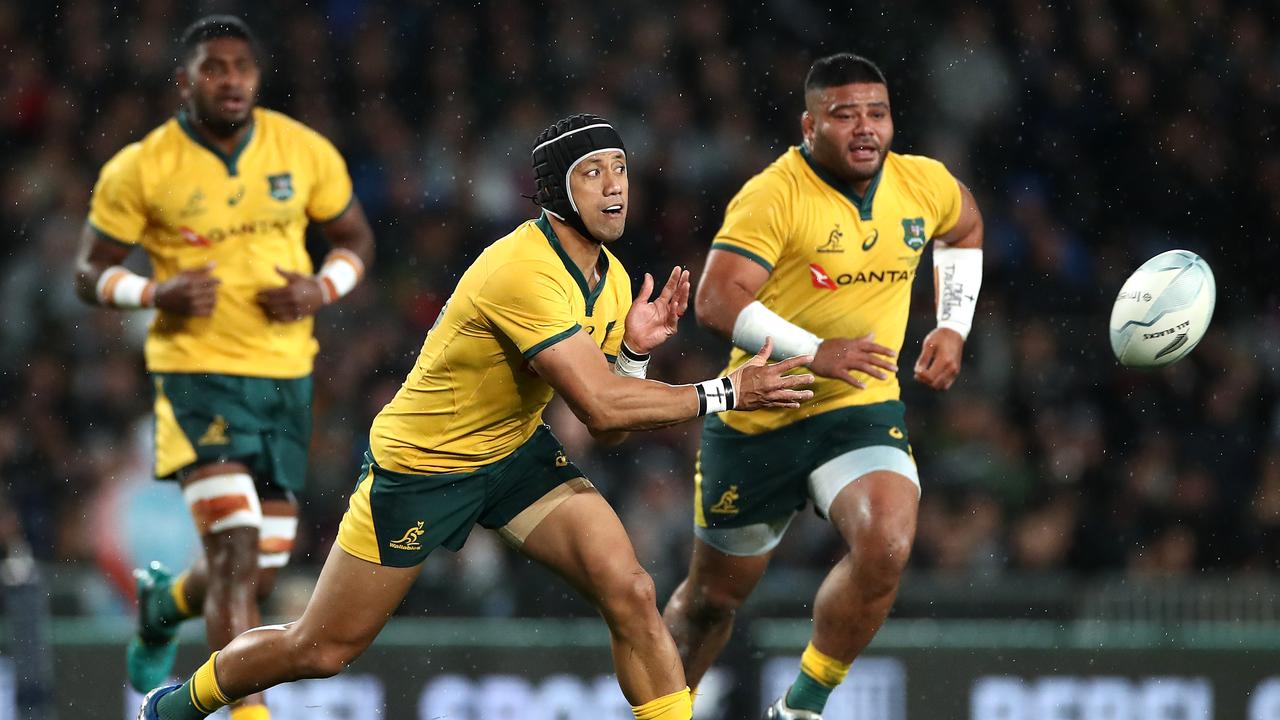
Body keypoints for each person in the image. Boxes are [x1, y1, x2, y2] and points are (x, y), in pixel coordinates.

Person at [137, 112, 814, 720]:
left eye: (622, 170)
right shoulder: (523, 270)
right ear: (555, 191)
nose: (616, 186)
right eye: (594, 173)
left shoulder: (608, 278)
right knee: (318, 649)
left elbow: (607, 421)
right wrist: (727, 391)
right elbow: (601, 404)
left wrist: (633, 352)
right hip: (424, 468)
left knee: (631, 589)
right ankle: (173, 708)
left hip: (513, 456)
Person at [661, 53, 985, 719]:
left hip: (858, 409)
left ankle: (801, 706)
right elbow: (717, 300)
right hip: (760, 413)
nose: (865, 128)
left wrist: (952, 325)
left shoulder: (923, 185)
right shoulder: (773, 194)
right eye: (845, 116)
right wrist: (818, 350)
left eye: (877, 113)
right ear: (810, 126)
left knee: (888, 542)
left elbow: (967, 227)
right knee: (710, 604)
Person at [74, 16, 375, 720]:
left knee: (259, 564)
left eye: (242, 66)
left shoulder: (303, 152)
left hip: (284, 379)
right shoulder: (142, 167)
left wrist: (318, 289)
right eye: (215, 67)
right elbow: (90, 273)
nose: (231, 79)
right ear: (186, 80)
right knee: (237, 548)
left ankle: (164, 606)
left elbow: (355, 239)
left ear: (258, 78)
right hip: (196, 372)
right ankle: (245, 714)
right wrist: (155, 292)